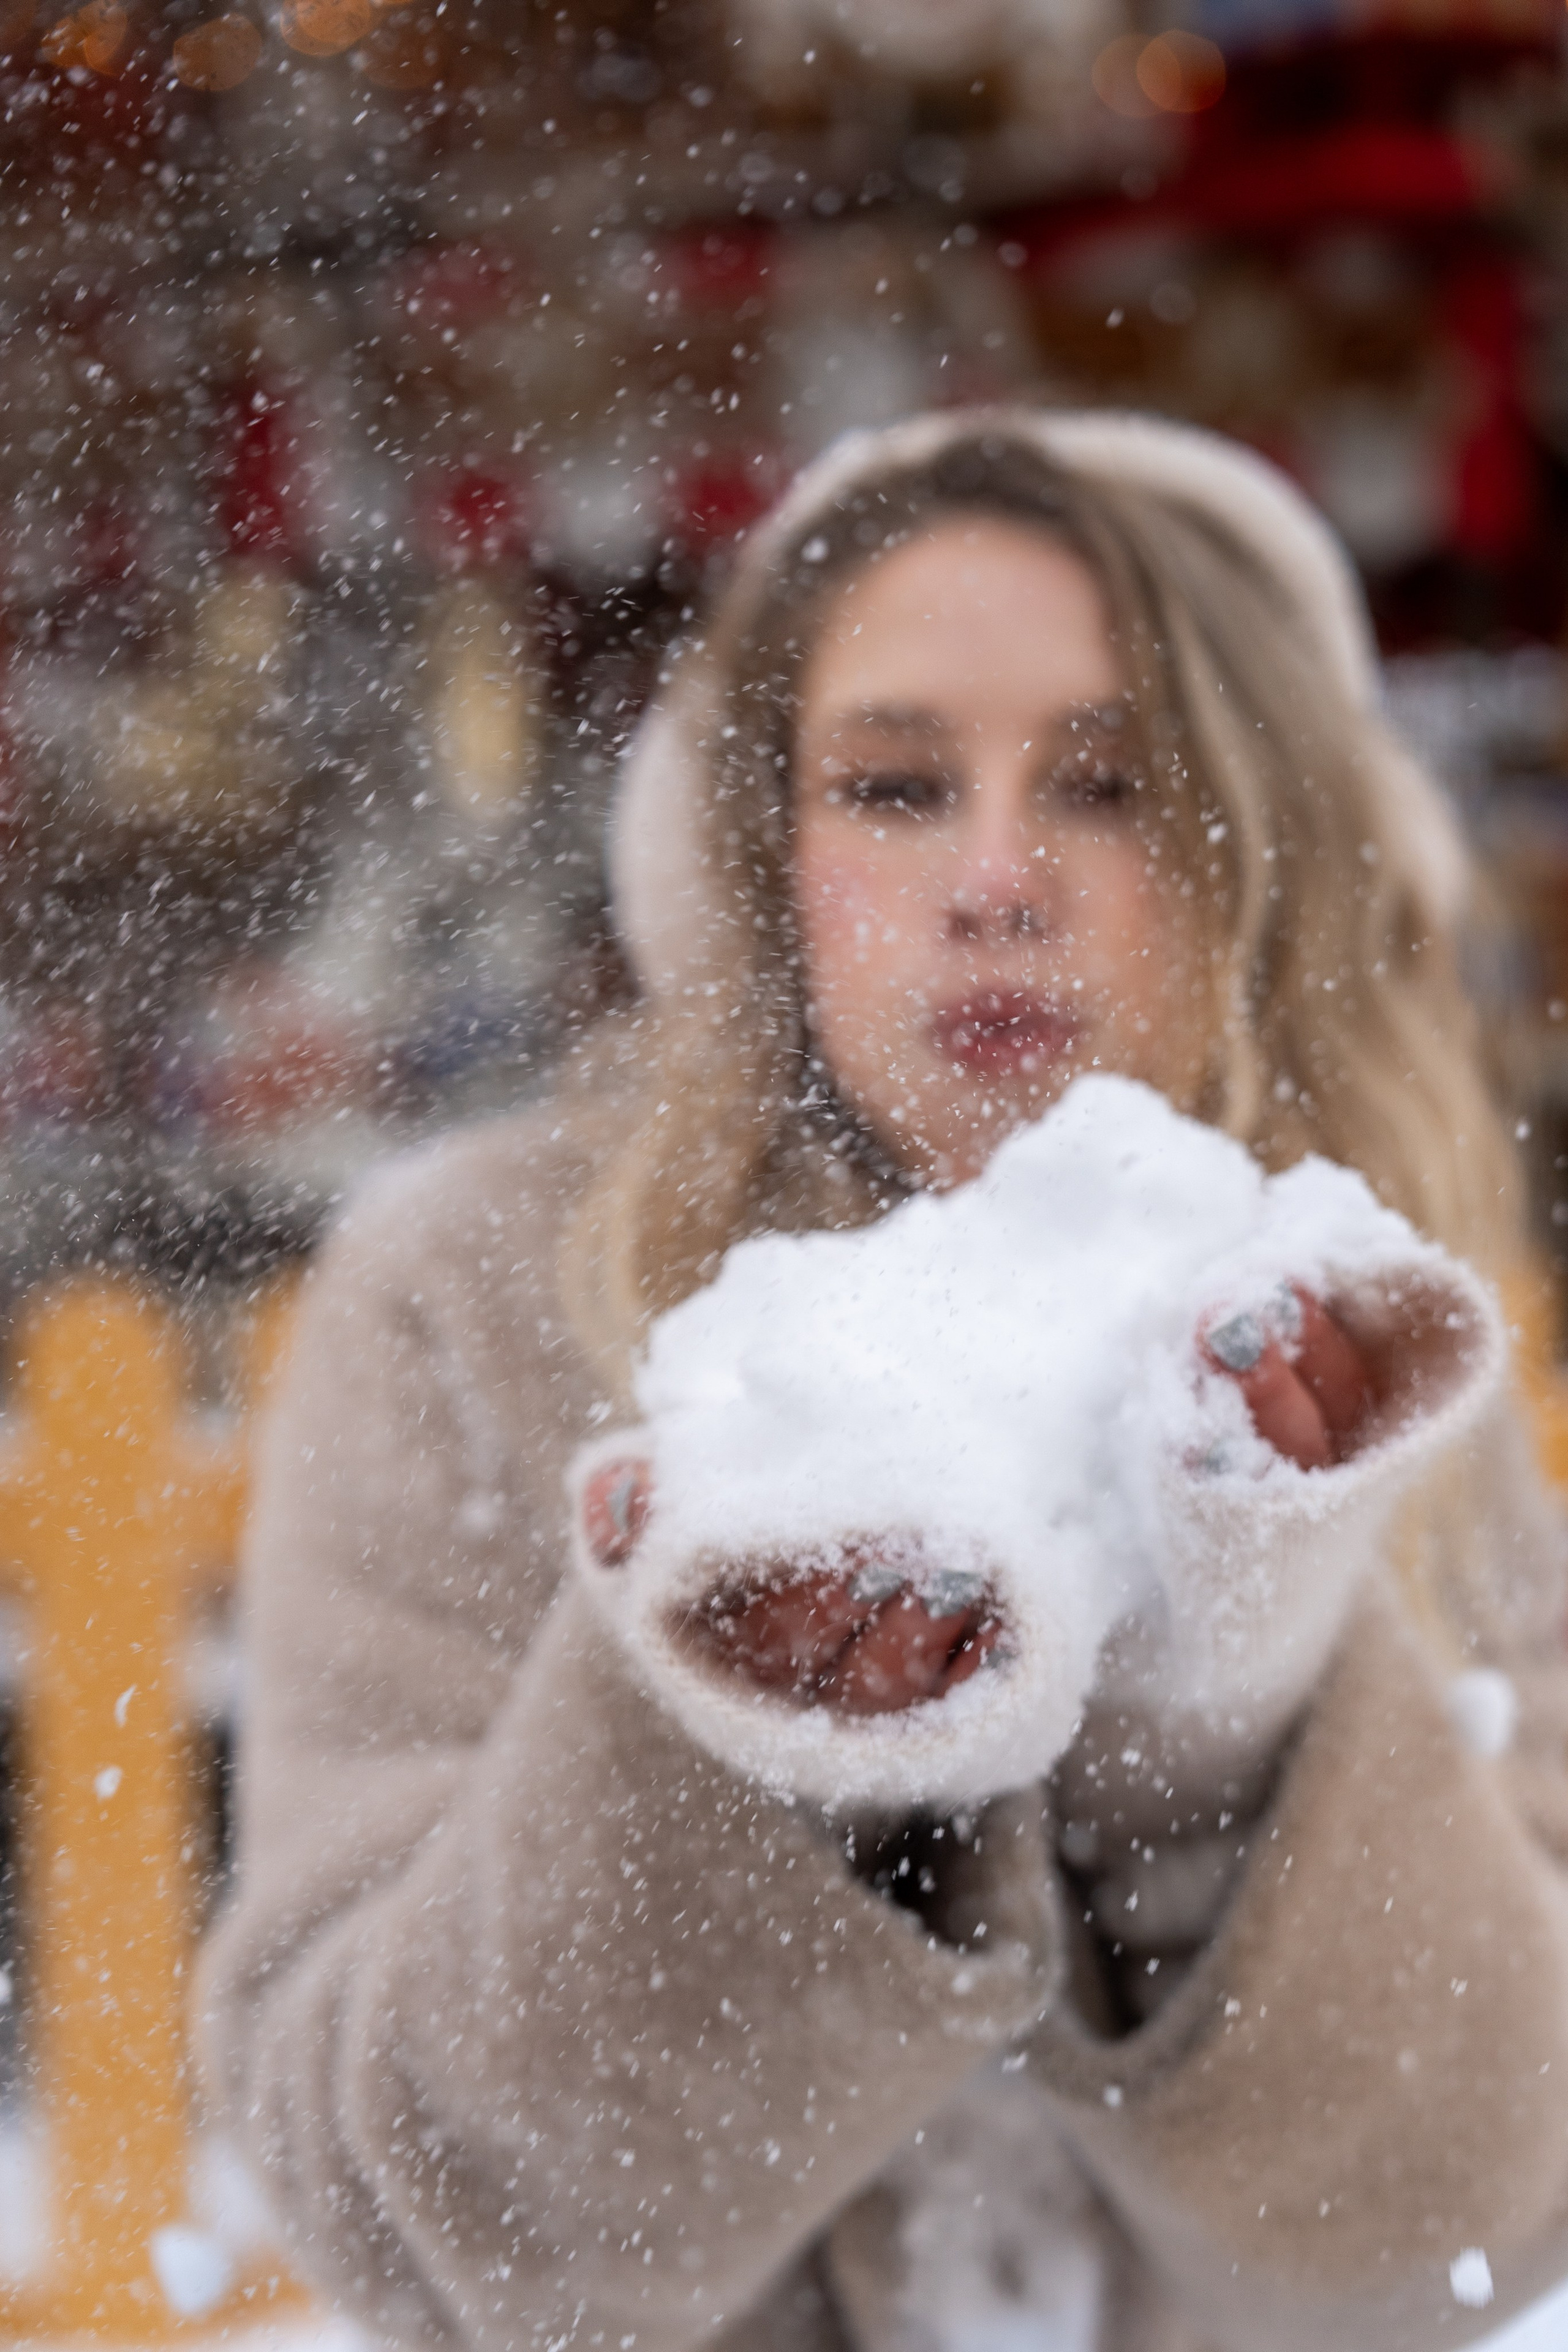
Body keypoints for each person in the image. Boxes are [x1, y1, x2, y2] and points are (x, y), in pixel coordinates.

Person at [200, 410, 1568, 2352]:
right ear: (768, 851)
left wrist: (1223, 1706)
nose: (999, 878)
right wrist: (749, 1739)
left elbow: (1473, 2231)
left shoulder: (1359, 1340)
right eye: (897, 787)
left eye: (1108, 784)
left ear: (1254, 848)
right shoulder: (475, 1297)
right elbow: (434, 2222)